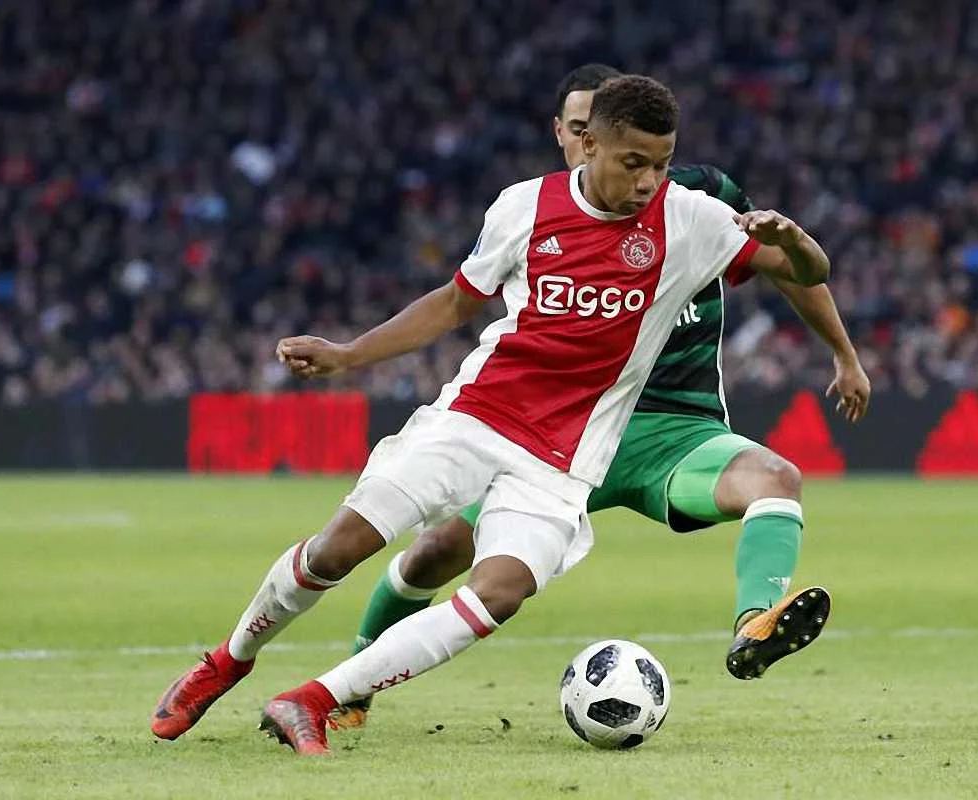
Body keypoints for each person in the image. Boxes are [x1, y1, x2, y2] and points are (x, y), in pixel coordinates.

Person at [150, 74, 832, 755]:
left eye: (662, 163)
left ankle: (314, 700)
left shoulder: (691, 219)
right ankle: (228, 661)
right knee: (340, 547)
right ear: (588, 144)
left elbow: (808, 271)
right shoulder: (525, 206)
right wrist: (349, 354)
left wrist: (795, 240)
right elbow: (454, 303)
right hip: (476, 419)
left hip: (564, 460)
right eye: (634, 163)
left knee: (499, 592)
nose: (650, 181)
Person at [331, 64, 869, 729]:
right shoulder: (538, 213)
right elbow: (458, 303)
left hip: (671, 430)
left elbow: (788, 268)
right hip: (550, 433)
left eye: (644, 158)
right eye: (577, 128)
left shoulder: (696, 203)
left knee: (775, 479)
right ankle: (352, 686)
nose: (598, 148)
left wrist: (844, 353)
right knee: (436, 551)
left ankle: (755, 623)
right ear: (568, 137)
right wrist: (353, 354)